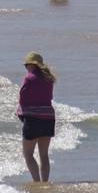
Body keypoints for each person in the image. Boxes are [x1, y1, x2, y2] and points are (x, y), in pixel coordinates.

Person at [17, 52, 57, 183]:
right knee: (44, 155)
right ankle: (44, 183)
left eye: (26, 65)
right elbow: (49, 97)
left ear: (30, 65)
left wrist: (20, 112)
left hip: (33, 119)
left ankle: (36, 182)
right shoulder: (49, 78)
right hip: (48, 117)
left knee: (28, 154)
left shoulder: (28, 78)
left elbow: (23, 97)